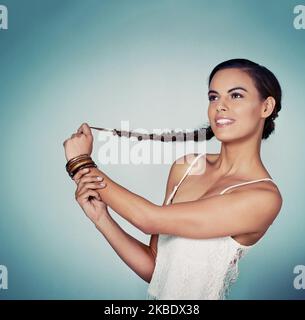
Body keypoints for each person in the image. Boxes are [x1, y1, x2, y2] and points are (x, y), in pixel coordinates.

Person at [63, 58, 283, 300]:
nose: (220, 106)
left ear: (266, 107)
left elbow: (149, 219)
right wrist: (102, 218)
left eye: (236, 96)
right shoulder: (187, 167)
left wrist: (81, 163)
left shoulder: (263, 198)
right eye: (213, 97)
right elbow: (155, 267)